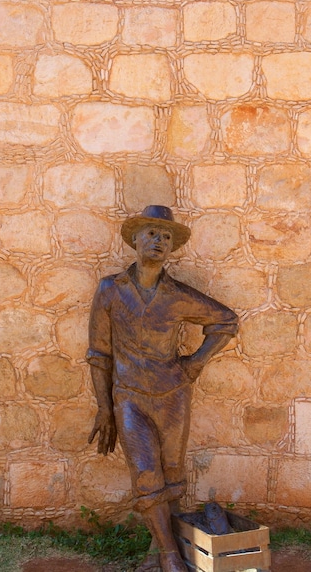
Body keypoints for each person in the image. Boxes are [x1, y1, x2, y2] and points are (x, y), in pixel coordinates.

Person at [87, 205, 238, 572]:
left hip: (173, 395)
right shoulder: (110, 290)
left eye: (166, 237)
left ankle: (159, 551)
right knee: (146, 473)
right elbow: (98, 354)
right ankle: (171, 558)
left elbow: (226, 321)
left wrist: (194, 363)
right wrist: (105, 408)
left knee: (171, 475)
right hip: (129, 398)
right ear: (135, 240)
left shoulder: (177, 295)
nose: (159, 241)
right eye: (152, 234)